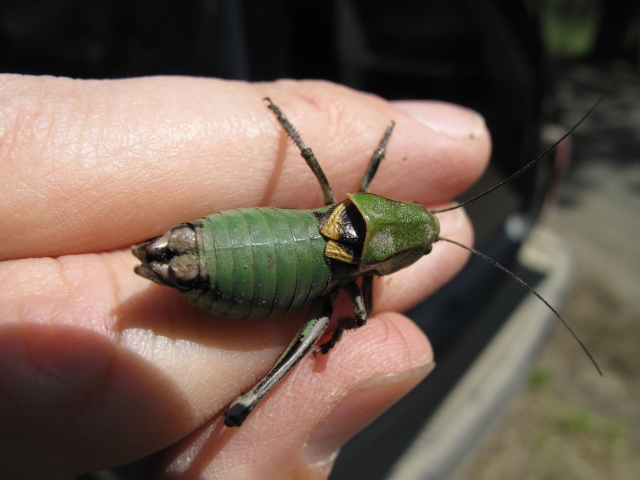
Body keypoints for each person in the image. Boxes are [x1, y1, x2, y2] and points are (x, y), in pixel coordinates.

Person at [0, 75, 490, 479]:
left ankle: (245, 393)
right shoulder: (362, 288)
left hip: (241, 238)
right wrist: (340, 329)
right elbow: (358, 315)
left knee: (300, 353)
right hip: (257, 266)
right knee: (348, 319)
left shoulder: (346, 196)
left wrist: (300, 135)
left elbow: (315, 161)